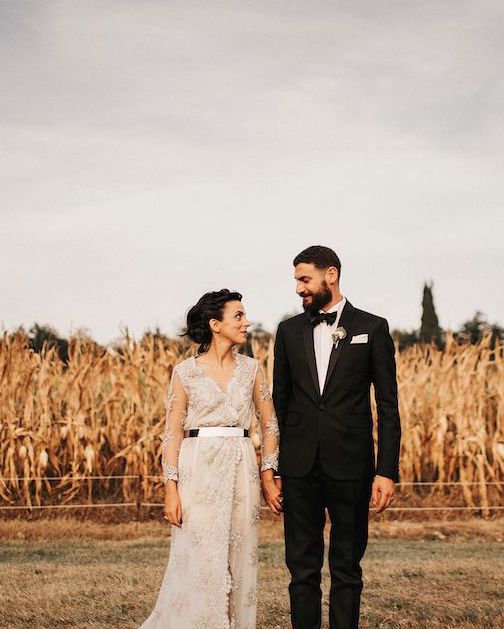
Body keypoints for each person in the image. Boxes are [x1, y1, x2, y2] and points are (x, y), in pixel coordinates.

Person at [273, 246, 401, 629]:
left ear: (331, 275)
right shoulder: (288, 331)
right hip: (299, 466)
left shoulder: (372, 327)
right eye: (297, 280)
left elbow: (388, 405)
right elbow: (280, 404)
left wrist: (386, 471)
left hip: (352, 465)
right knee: (301, 568)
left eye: (304, 279)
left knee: (347, 567)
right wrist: (275, 466)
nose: (298, 288)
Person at [140, 289, 282, 629]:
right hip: (197, 469)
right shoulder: (185, 372)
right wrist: (170, 489)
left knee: (238, 556)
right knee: (200, 556)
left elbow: (271, 423)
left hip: (242, 467)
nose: (247, 323)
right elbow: (172, 432)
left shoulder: (251, 369)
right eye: (239, 316)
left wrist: (267, 471)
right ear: (215, 324)